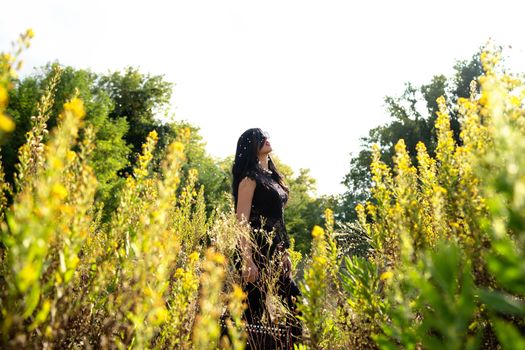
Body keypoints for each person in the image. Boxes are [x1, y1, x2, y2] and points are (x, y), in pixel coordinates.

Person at [231, 128, 302, 349]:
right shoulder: (249, 179)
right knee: (253, 317)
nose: (266, 139)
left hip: (275, 252)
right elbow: (241, 222)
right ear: (251, 147)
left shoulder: (273, 178)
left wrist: (284, 252)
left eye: (265, 134)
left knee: (296, 304)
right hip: (256, 251)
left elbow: (277, 220)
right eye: (259, 138)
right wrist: (247, 260)